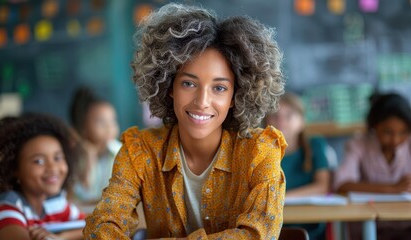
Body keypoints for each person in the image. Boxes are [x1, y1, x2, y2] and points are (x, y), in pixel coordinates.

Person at [83, 3, 286, 239]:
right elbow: (102, 225)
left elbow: (259, 235)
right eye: (188, 83)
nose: (202, 101)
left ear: (235, 96)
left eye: (219, 88)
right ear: (169, 86)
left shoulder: (259, 151)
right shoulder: (140, 151)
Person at [0, 113, 85, 240]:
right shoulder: (3, 207)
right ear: (14, 169)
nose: (53, 168)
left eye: (57, 158)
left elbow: (95, 225)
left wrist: (64, 237)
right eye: (38, 161)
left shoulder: (54, 203)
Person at [334, 92, 411, 239]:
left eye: (403, 132)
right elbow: (341, 184)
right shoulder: (358, 145)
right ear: (374, 126)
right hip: (371, 228)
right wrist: (393, 189)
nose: (395, 140)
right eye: (388, 132)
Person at [265, 92, 332, 240]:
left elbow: (322, 186)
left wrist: (282, 199)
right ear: (266, 121)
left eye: (289, 116)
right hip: (271, 226)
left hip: (310, 224)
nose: (281, 122)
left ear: (301, 121)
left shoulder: (315, 144)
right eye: (275, 116)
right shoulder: (260, 149)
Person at [69, 86, 121, 203]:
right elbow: (79, 196)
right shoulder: (76, 156)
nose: (109, 127)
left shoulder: (121, 153)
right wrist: (89, 160)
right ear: (83, 127)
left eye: (113, 120)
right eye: (100, 122)